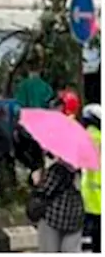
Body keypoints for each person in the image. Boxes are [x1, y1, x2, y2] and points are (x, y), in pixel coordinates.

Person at [31, 154, 85, 252]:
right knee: (70, 249)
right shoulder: (78, 172)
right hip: (74, 218)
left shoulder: (57, 169)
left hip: (54, 217)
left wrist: (36, 180)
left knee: (48, 249)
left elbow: (45, 191)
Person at [82, 104, 101, 253]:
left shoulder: (86, 135)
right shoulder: (98, 136)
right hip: (98, 187)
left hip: (90, 187)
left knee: (94, 224)